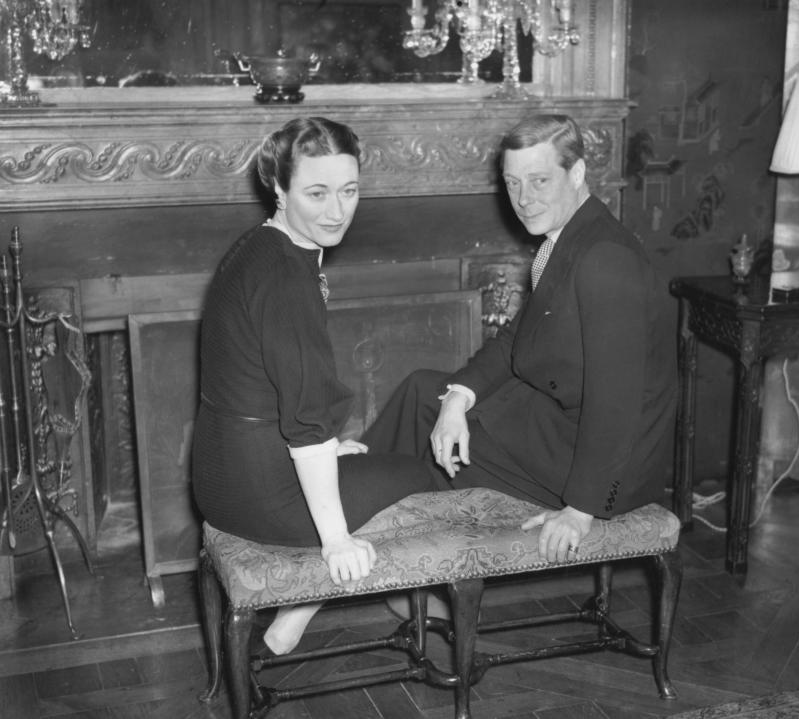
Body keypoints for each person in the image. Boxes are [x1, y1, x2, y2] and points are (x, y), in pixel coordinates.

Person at [363, 113, 677, 563]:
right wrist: (459, 396)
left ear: (578, 173)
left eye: (539, 180)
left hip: (597, 461)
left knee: (423, 425)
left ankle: (355, 559)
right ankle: (375, 549)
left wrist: (580, 510)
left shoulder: (605, 259)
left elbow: (616, 402)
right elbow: (517, 338)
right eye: (513, 183)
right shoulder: (566, 239)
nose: (524, 199)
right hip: (558, 424)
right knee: (425, 392)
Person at [191, 117, 437, 655]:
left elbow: (265, 389)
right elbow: (306, 421)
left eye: (349, 191)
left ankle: (291, 617)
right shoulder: (285, 277)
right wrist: (336, 540)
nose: (336, 210)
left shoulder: (261, 246)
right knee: (422, 472)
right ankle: (306, 612)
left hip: (220, 479)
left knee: (364, 455)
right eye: (316, 193)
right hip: (262, 496)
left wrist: (330, 453)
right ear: (277, 188)